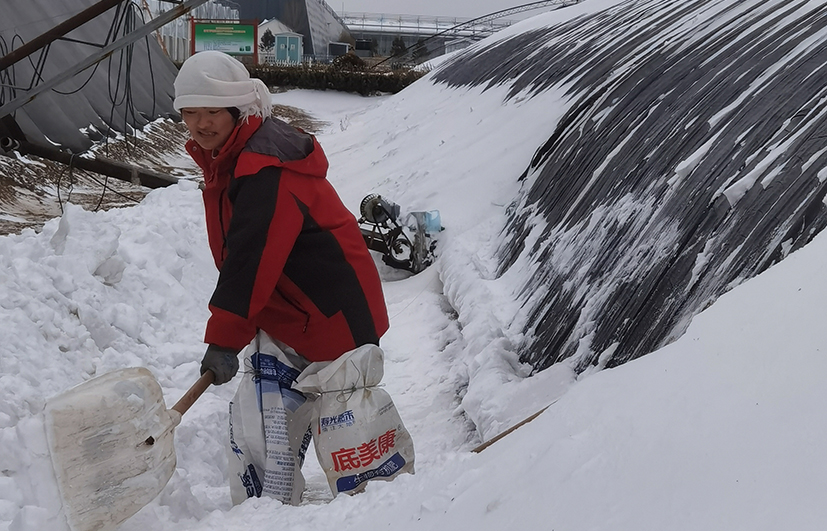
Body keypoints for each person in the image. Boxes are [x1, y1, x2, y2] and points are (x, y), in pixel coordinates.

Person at [173, 51, 390, 503]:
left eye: (212, 111)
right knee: (262, 420)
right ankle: (264, 512)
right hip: (291, 312)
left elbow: (250, 261)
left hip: (333, 316)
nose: (200, 124)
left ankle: (389, 508)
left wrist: (224, 339)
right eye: (190, 112)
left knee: (354, 443)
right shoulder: (232, 157)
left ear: (237, 110)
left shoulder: (264, 169)